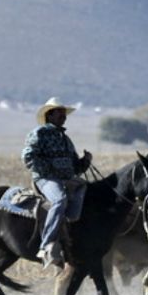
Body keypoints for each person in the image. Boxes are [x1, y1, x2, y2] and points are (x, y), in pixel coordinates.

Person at [21, 97, 93, 269]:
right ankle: (47, 244)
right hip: (46, 179)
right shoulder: (39, 133)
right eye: (59, 112)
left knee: (86, 187)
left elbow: (76, 167)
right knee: (59, 199)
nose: (63, 116)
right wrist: (51, 170)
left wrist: (86, 161)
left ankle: (69, 225)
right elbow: (27, 157)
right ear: (50, 115)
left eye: (64, 113)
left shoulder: (66, 139)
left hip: (66, 179)